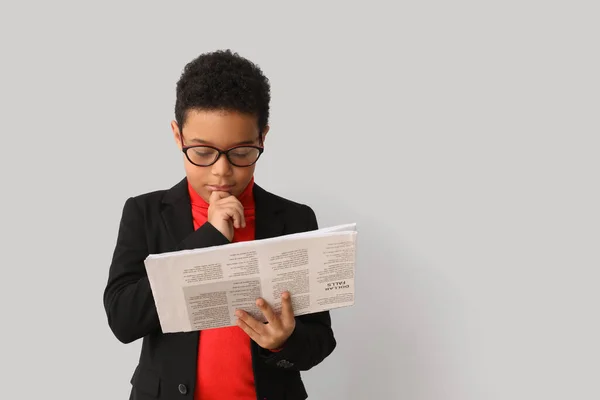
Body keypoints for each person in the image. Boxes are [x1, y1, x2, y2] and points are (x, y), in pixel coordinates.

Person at [103, 49, 336, 400]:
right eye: (201, 152)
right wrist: (207, 239)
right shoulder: (145, 212)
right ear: (178, 136)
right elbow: (123, 320)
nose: (221, 171)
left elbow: (319, 340)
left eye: (241, 153)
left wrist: (283, 342)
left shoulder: (295, 219)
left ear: (262, 139)